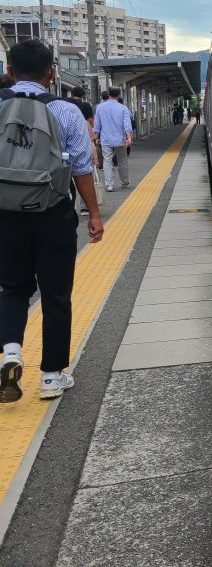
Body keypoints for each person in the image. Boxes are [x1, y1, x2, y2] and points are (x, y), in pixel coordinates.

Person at [0, 39, 103, 402]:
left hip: (6, 213)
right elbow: (81, 167)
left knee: (12, 287)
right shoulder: (66, 110)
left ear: (10, 71)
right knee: (56, 293)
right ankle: (50, 376)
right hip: (53, 211)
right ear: (51, 73)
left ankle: (11, 351)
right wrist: (94, 214)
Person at [93, 87, 133, 192]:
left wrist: (96, 137)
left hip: (106, 139)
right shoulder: (123, 108)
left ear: (109, 94)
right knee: (122, 160)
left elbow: (97, 124)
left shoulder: (100, 107)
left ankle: (109, 185)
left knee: (107, 161)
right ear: (119, 95)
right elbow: (127, 125)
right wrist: (129, 137)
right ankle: (124, 182)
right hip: (120, 139)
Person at [66, 87, 97, 216]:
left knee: (67, 183)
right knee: (84, 176)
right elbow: (91, 140)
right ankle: (85, 207)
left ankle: (69, 206)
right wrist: (95, 158)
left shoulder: (61, 115)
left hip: (65, 157)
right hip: (83, 152)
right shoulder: (85, 117)